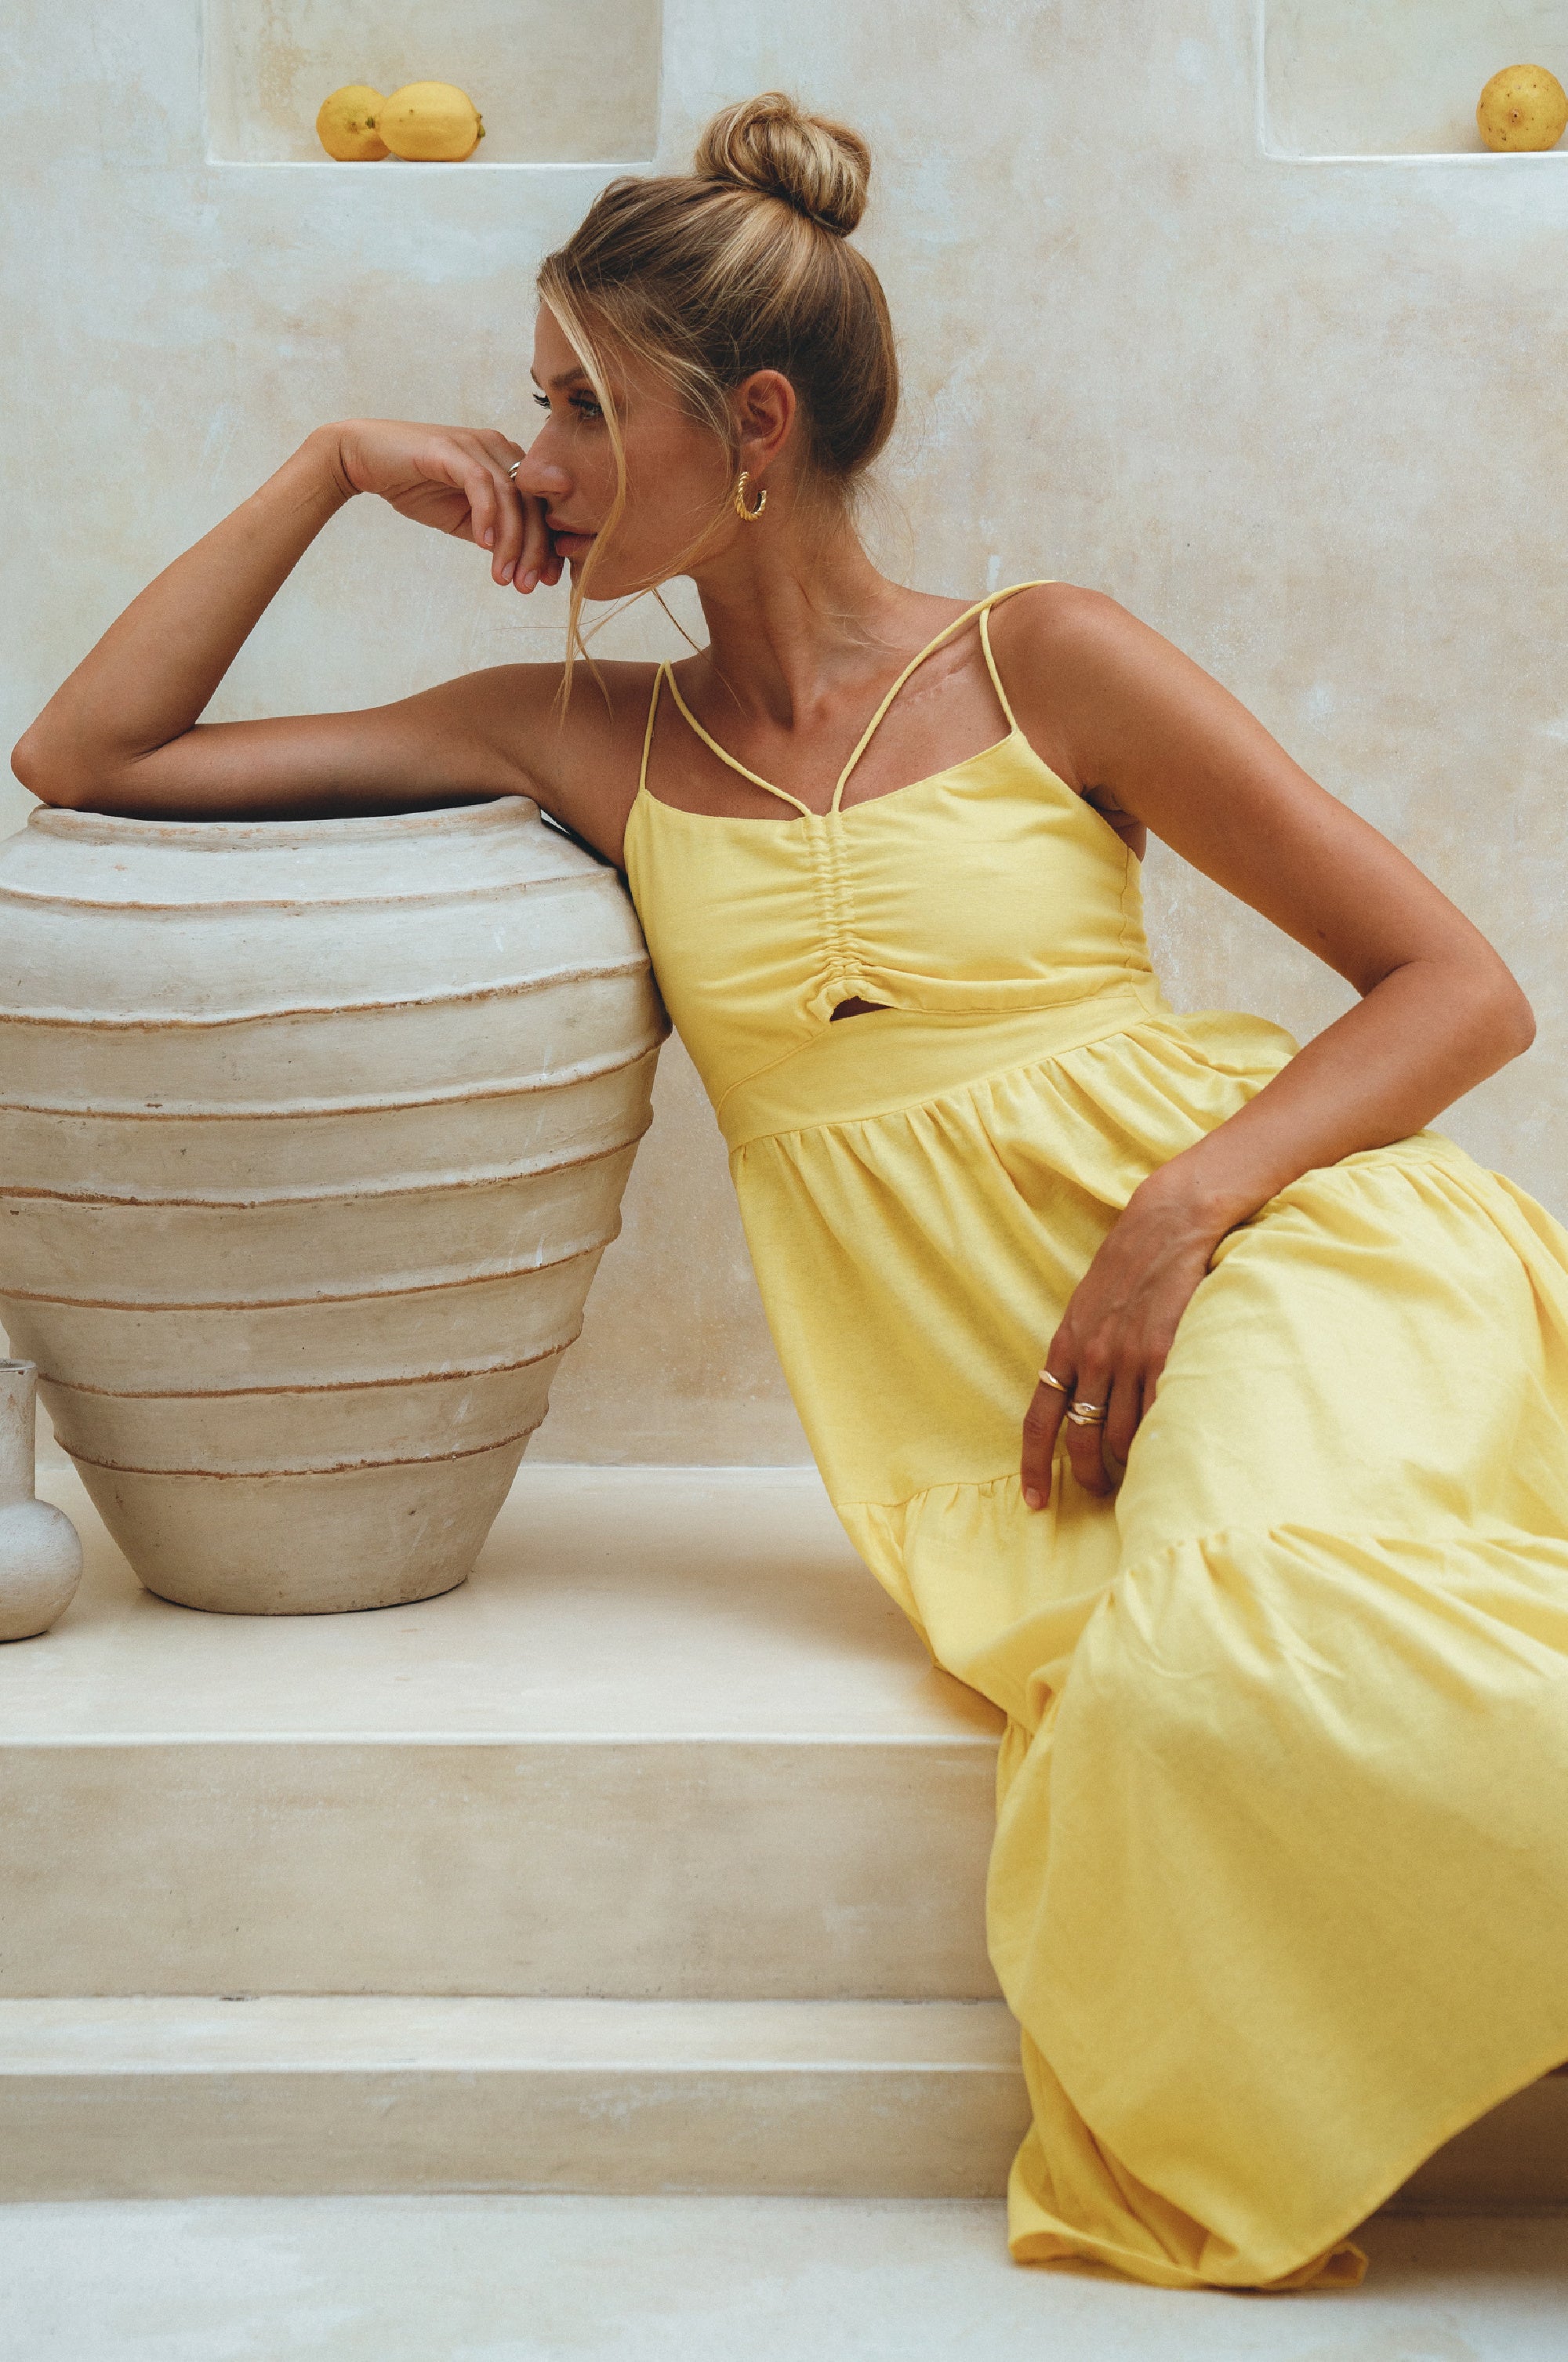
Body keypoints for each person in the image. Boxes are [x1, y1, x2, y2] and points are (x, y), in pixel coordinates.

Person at [15, 89, 1568, 2295]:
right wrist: (333, 465)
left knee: (1233, 1642)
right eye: (532, 402)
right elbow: (91, 758)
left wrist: (1181, 1215)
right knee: (1177, 1694)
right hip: (1009, 1406)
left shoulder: (1043, 658)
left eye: (581, 405)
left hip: (1291, 1260)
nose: (534, 454)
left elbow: (1459, 987)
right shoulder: (587, 738)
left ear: (750, 426)